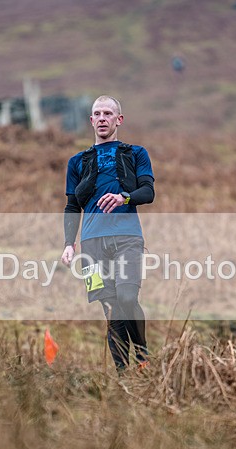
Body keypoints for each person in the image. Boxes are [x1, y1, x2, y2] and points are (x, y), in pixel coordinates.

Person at [60, 95, 155, 374]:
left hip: (128, 239)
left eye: (108, 114)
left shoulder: (136, 154)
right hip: (90, 246)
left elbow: (148, 193)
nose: (102, 118)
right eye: (97, 114)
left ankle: (142, 358)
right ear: (91, 121)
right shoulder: (77, 162)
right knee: (110, 310)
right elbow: (71, 205)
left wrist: (124, 197)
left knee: (126, 298)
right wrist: (68, 244)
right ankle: (123, 376)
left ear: (118, 120)